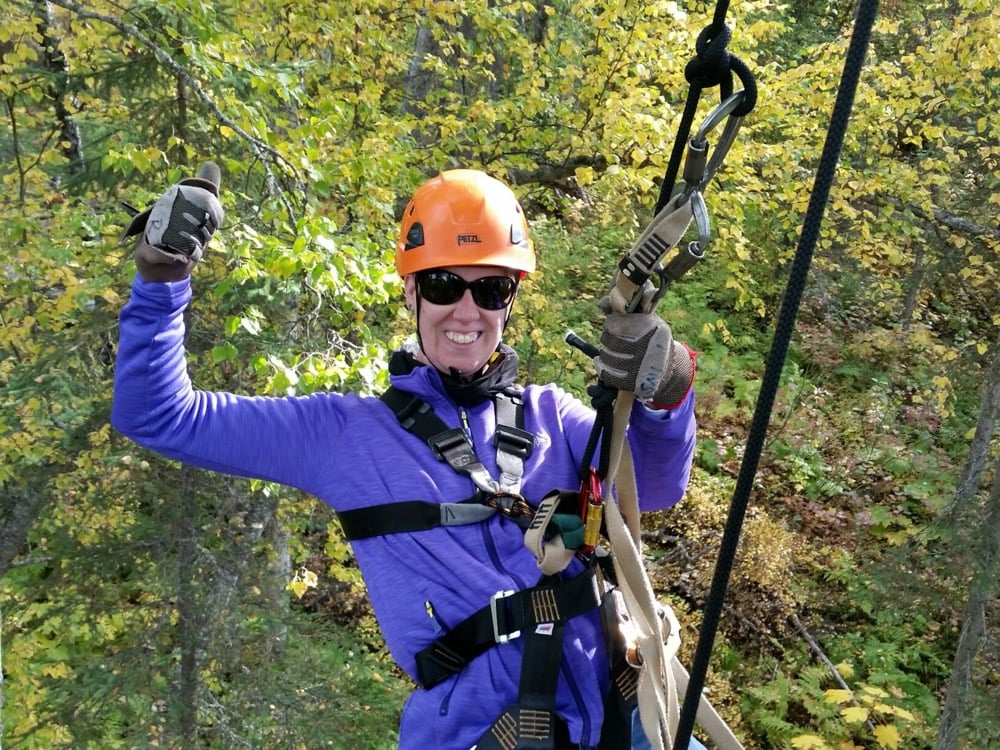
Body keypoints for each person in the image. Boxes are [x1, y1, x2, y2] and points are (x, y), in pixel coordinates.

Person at [112, 167, 699, 750]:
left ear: (510, 300)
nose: (467, 312)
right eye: (444, 284)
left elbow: (652, 488)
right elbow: (161, 416)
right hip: (481, 732)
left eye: (491, 289)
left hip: (627, 716)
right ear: (411, 289)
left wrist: (667, 388)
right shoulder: (345, 436)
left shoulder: (554, 418)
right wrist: (162, 277)